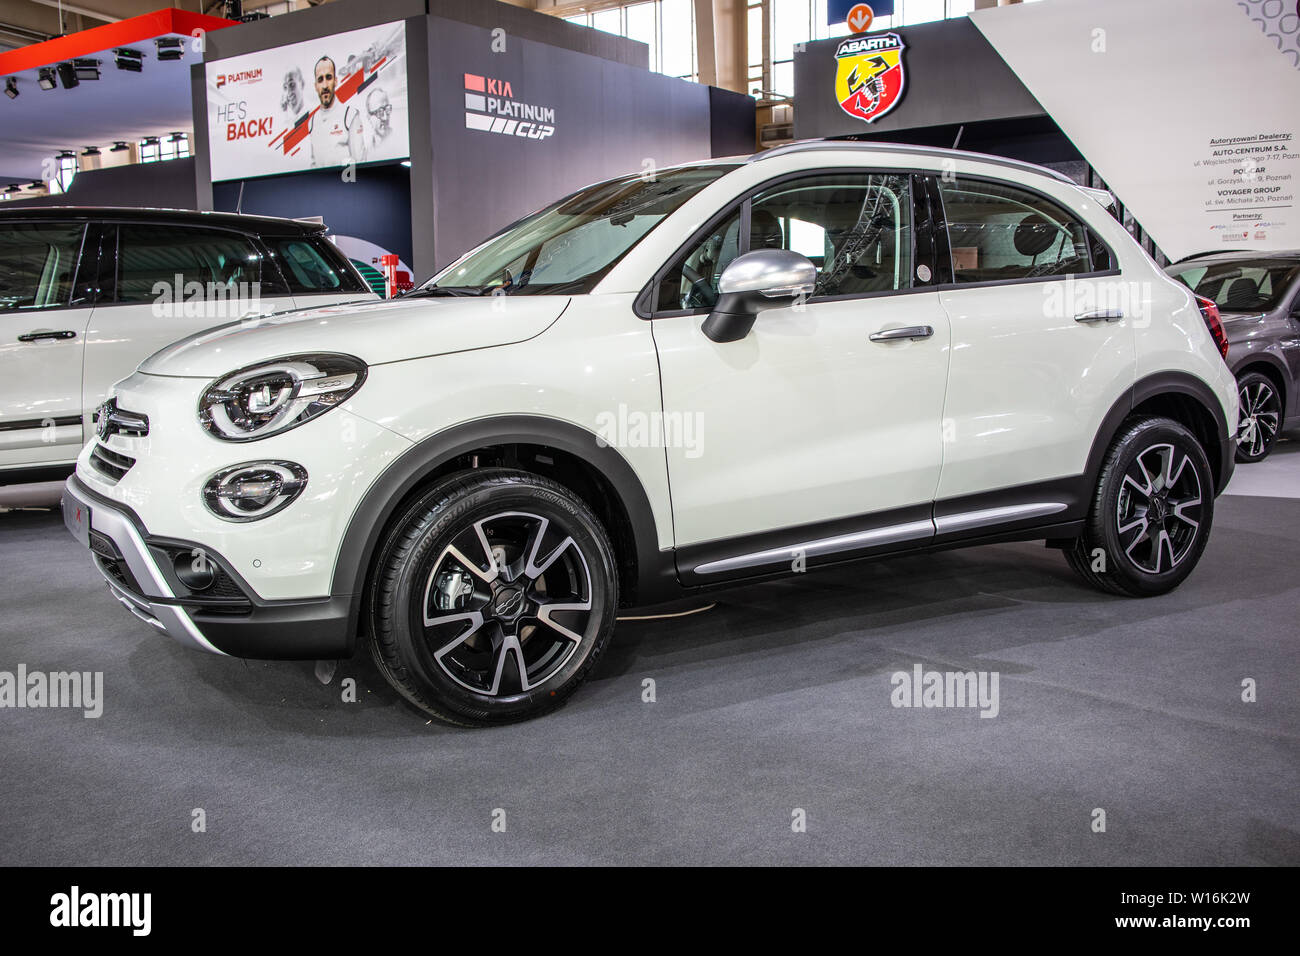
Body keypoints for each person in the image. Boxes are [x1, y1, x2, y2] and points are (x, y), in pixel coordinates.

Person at [308, 55, 367, 168]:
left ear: (335, 81)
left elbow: (360, 162)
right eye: (320, 80)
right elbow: (313, 165)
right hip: (321, 185)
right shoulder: (312, 121)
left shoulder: (350, 115)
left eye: (328, 77)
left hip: (347, 183)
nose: (325, 85)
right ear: (316, 86)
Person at [366, 87, 393, 151]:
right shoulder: (367, 150)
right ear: (369, 117)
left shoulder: (397, 138)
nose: (385, 117)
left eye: (387, 109)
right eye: (379, 112)